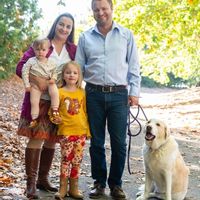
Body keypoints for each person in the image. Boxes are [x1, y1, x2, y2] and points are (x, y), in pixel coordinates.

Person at [75, 0, 141, 199]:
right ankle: (99, 183)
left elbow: (134, 66)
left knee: (119, 143)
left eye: (104, 8)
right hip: (93, 94)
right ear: (92, 12)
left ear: (112, 9)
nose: (100, 12)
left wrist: (134, 92)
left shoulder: (126, 35)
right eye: (96, 9)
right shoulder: (85, 37)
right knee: (96, 142)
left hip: (119, 94)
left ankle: (116, 184)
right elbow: (78, 68)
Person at [16, 13, 76, 199]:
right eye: (61, 24)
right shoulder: (42, 44)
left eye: (68, 26)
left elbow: (77, 71)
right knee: (36, 138)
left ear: (71, 30)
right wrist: (38, 81)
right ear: (55, 25)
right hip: (38, 100)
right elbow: (21, 66)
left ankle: (43, 178)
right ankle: (31, 184)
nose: (64, 29)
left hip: (58, 102)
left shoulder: (72, 49)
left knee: (51, 140)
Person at [51, 61, 91, 200]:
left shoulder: (82, 92)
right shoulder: (60, 92)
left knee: (77, 160)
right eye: (68, 72)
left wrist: (88, 131)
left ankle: (74, 188)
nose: (71, 75)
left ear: (79, 76)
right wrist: (54, 118)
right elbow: (53, 110)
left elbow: (85, 112)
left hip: (80, 132)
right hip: (66, 132)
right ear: (63, 75)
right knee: (66, 159)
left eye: (75, 73)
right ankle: (62, 188)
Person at [22, 38, 61, 128]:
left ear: (47, 50)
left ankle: (55, 110)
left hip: (48, 82)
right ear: (34, 49)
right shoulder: (31, 61)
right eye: (38, 49)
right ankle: (34, 119)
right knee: (34, 101)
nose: (40, 52)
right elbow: (24, 71)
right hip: (35, 85)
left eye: (43, 50)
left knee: (54, 91)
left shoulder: (51, 62)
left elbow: (55, 71)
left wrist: (53, 79)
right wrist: (27, 85)